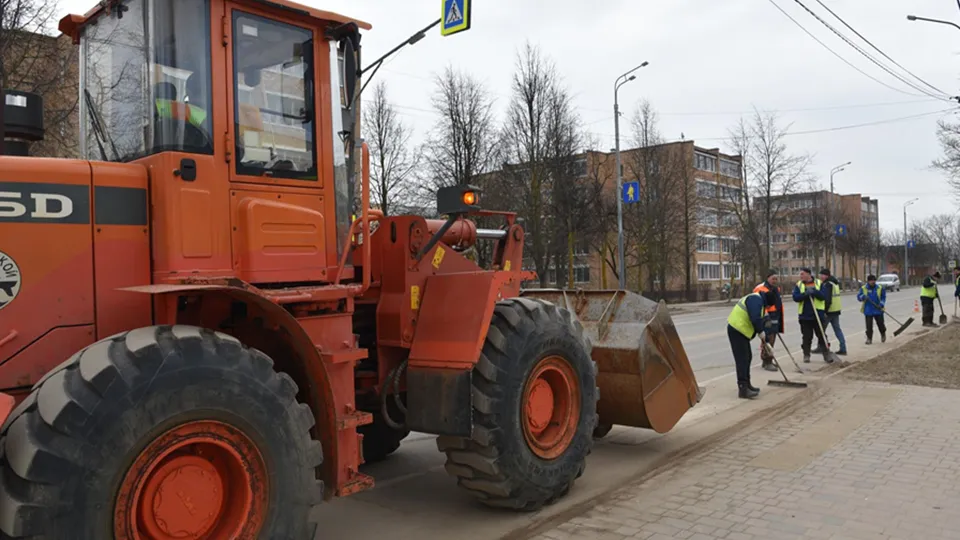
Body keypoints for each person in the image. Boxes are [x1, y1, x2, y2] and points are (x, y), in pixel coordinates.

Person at [727, 290, 776, 399]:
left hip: (741, 332)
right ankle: (743, 389)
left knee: (747, 357)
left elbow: (761, 319)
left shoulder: (759, 301)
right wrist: (761, 332)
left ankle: (747, 384)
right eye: (768, 305)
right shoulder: (755, 299)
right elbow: (755, 318)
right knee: (742, 359)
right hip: (737, 330)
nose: (767, 307)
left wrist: (766, 336)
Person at [792, 267, 832, 364]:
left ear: (808, 274)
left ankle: (826, 354)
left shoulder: (819, 283)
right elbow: (796, 297)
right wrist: (805, 294)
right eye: (800, 274)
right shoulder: (799, 285)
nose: (800, 276)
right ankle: (806, 354)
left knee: (822, 336)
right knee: (807, 336)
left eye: (802, 274)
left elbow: (824, 297)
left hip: (817, 315)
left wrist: (814, 292)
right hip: (805, 316)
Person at [754, 270, 784, 372]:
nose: (774, 280)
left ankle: (768, 360)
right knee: (767, 339)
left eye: (776, 279)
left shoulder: (776, 289)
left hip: (775, 316)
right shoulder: (760, 288)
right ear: (768, 278)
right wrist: (765, 315)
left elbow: (778, 303)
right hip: (766, 316)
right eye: (773, 278)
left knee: (772, 338)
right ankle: (767, 361)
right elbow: (757, 303)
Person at [818, 268, 847, 356]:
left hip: (829, 311)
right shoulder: (835, 283)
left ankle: (822, 347)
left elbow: (828, 299)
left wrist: (825, 311)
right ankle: (843, 348)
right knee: (837, 329)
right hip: (836, 310)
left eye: (822, 275)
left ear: (826, 275)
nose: (820, 277)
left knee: (821, 330)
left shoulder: (828, 284)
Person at [857, 274, 887, 344]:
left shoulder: (879, 288)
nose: (873, 282)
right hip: (868, 310)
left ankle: (883, 334)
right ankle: (869, 338)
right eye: (871, 280)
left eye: (874, 280)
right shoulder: (863, 288)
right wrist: (863, 297)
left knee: (880, 324)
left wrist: (881, 304)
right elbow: (859, 297)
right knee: (869, 326)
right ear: (868, 281)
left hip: (878, 309)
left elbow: (883, 297)